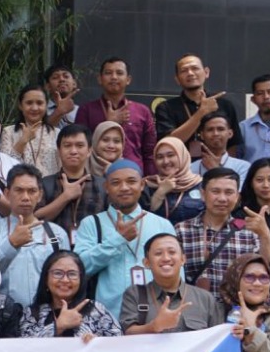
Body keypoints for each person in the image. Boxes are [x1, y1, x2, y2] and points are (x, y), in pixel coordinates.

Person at [74, 159, 177, 315]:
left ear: (142, 185)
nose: (124, 188)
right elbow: (80, 268)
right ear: (106, 187)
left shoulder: (162, 224)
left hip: (157, 315)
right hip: (108, 316)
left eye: (131, 181)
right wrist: (118, 239)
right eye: (115, 183)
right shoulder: (91, 224)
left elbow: (176, 272)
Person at [173, 167, 270, 293]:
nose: (222, 198)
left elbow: (268, 271)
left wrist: (265, 234)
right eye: (215, 191)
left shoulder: (249, 232)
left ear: (237, 197)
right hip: (196, 308)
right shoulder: (182, 231)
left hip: (236, 308)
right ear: (203, 195)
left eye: (229, 192)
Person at [0, 164, 70, 306]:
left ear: (40, 194)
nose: (25, 197)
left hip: (46, 316)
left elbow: (68, 277)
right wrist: (11, 244)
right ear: (6, 193)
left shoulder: (57, 234)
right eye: (19, 190)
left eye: (32, 191)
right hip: (5, 318)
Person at [75, 57, 157, 172]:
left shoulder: (142, 111)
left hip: (134, 176)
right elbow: (80, 146)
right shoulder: (86, 110)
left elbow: (149, 152)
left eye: (119, 73)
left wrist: (149, 180)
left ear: (128, 79)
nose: (114, 77)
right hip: (95, 176)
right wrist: (107, 122)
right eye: (108, 73)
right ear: (100, 79)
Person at [152, 54, 241, 155]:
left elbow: (233, 143)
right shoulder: (166, 108)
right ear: (177, 79)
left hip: (218, 167)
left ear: (206, 72)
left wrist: (223, 166)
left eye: (195, 68)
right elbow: (169, 143)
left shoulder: (224, 105)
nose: (190, 73)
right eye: (184, 70)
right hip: (181, 168)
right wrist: (201, 112)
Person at [37, 124, 106, 239]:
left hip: (93, 251)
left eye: (79, 145)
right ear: (59, 150)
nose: (73, 151)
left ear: (89, 151)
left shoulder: (102, 185)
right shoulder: (44, 184)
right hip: (55, 251)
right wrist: (65, 197)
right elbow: (34, 220)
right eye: (67, 145)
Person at [0, 84, 60, 175]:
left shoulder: (56, 133)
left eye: (39, 103)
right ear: (20, 105)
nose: (34, 108)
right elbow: (4, 165)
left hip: (50, 187)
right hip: (21, 186)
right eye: (29, 103)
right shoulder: (8, 132)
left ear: (46, 105)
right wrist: (23, 141)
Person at [143, 136, 205, 223]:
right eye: (160, 157)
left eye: (170, 155)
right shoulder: (147, 186)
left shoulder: (201, 185)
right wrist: (160, 193)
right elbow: (145, 221)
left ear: (182, 155)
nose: (166, 161)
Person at [189, 111, 251, 186]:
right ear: (202, 135)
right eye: (210, 130)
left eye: (220, 129)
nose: (215, 133)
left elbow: (238, 196)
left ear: (230, 133)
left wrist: (215, 170)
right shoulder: (190, 168)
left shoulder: (243, 167)